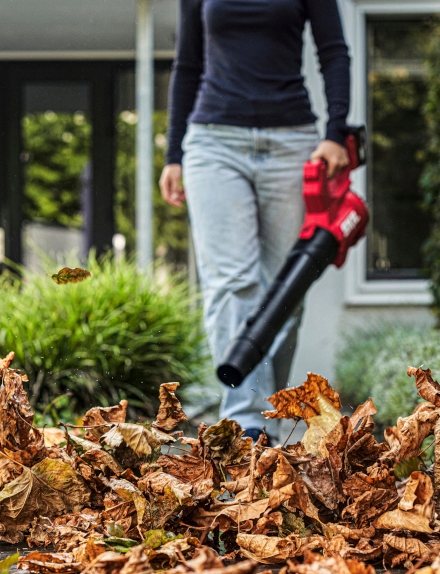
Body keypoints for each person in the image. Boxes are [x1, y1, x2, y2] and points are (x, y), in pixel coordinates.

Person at [160, 0, 350, 442]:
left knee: (287, 289)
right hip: (213, 142)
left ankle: (271, 409)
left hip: (292, 142)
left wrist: (336, 132)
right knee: (232, 282)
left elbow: (334, 51)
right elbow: (187, 65)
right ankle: (245, 419)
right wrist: (173, 155)